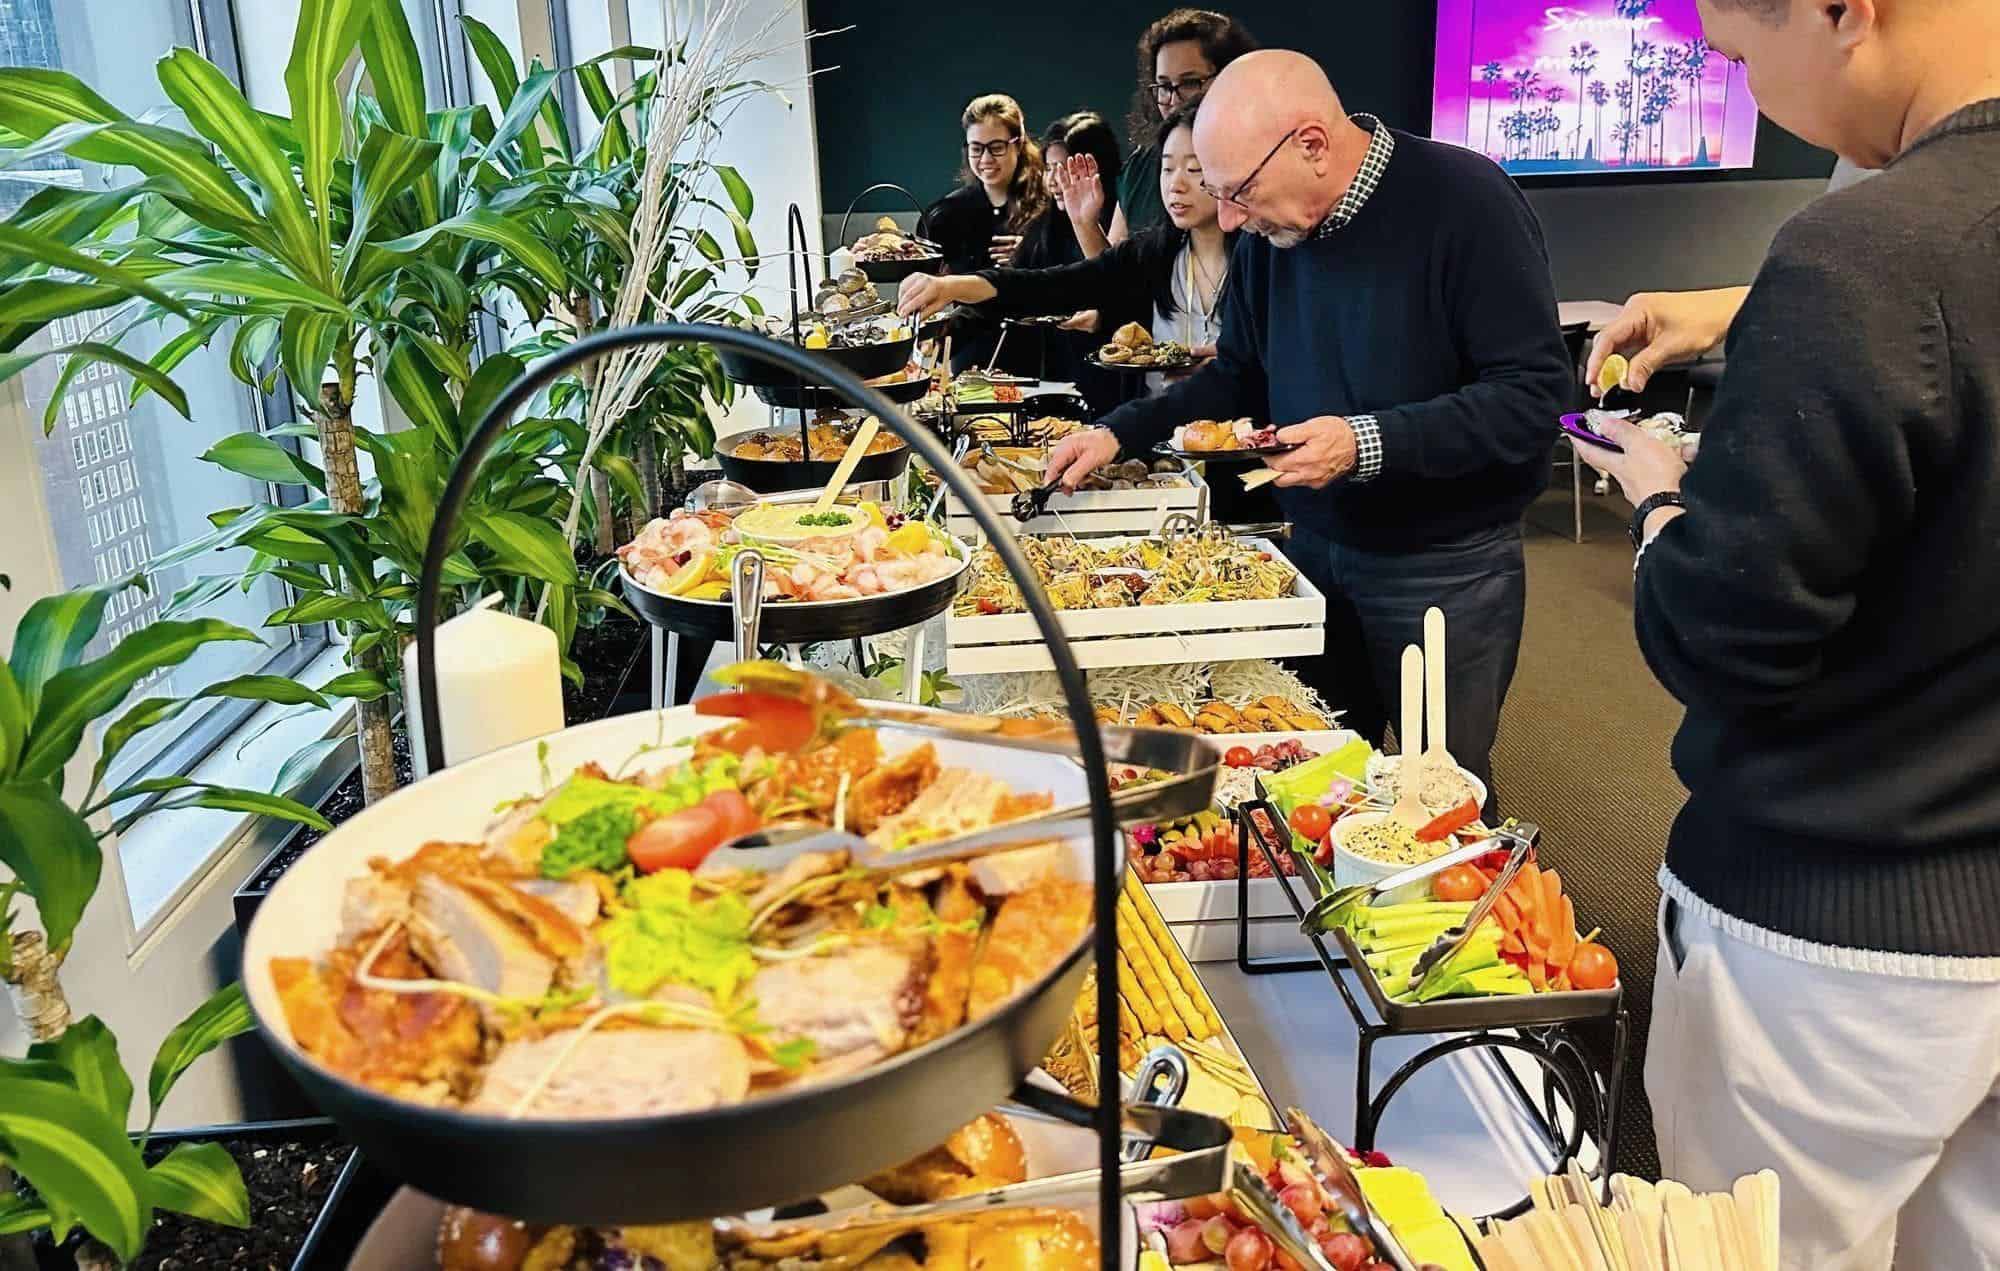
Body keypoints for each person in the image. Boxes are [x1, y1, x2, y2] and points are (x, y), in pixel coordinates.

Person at [1574, 0, 2000, 1265]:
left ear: (1838, 12)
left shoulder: (1858, 252)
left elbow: (1722, 637)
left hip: (1836, 934)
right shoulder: (1888, 256)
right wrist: (1741, 305)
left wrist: (1659, 496)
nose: (1742, 84)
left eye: (1738, 51)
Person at [1043, 50, 1571, 800]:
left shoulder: (1466, 200)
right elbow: (1237, 372)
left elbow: (1533, 397)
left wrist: (1364, 442)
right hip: (1313, 549)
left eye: (1239, 192)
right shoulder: (1270, 232)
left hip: (1443, 562)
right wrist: (1120, 431)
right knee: (1311, 773)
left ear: (1313, 145)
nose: (1229, 218)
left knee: (1437, 793)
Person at [901, 106, 1230, 400]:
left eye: (1195, 169)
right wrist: (950, 288)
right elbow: (1047, 285)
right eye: (1168, 168)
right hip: (1160, 434)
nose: (1176, 185)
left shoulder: (1254, 256)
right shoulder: (1153, 251)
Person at [1103, 9, 1258, 250]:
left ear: (1230, 76)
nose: (1174, 100)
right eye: (1164, 86)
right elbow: (1110, 274)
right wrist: (1084, 222)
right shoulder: (1139, 168)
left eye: (1189, 83)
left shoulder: (1259, 162)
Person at [922, 94, 1049, 372]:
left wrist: (1032, 251)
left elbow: (1071, 275)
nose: (986, 159)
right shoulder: (946, 213)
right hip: (970, 357)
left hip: (1044, 354)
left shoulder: (1050, 204)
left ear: (1018, 143)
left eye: (996, 147)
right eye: (976, 148)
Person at [1020, 111, 1122, 271]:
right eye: (1048, 168)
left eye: (1064, 169)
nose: (1052, 181)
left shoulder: (1124, 221)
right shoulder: (1041, 228)